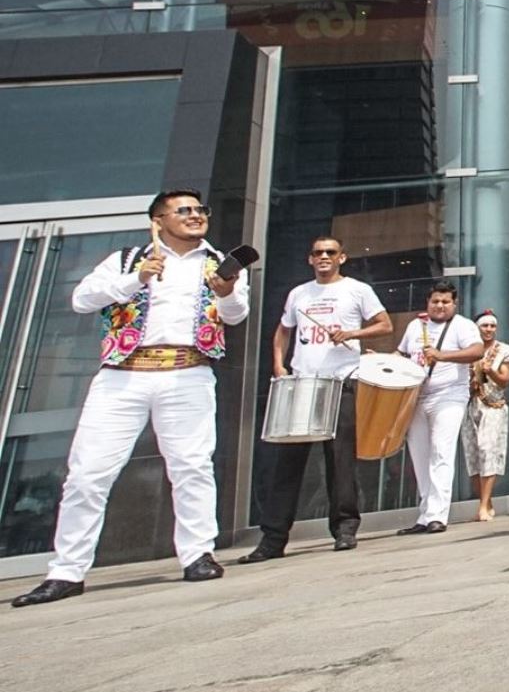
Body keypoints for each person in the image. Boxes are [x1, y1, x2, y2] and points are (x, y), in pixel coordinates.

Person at [12, 191, 249, 607]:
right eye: (185, 211)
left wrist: (226, 290)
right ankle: (67, 571)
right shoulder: (125, 259)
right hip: (123, 377)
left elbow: (235, 315)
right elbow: (82, 300)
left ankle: (197, 555)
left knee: (192, 466)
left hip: (187, 372)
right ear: (158, 220)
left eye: (200, 210)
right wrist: (136, 278)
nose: (196, 216)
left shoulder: (220, 263)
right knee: (87, 474)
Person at [239, 236, 392, 563]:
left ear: (342, 258)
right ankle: (273, 538)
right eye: (318, 253)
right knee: (287, 463)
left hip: (340, 382)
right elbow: (282, 330)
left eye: (330, 253)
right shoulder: (299, 293)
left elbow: (384, 325)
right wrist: (278, 364)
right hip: (302, 383)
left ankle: (345, 528)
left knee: (340, 461)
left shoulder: (357, 290)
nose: (324, 257)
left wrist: (352, 334)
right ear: (310, 259)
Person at [394, 282, 483, 535]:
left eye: (445, 302)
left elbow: (476, 351)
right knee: (420, 457)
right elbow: (401, 354)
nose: (440, 306)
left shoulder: (463, 325)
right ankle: (425, 514)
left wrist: (442, 356)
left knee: (441, 453)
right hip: (417, 396)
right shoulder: (415, 326)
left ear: (454, 304)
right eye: (435, 301)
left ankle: (438, 515)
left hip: (449, 395)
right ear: (428, 302)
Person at [463, 310, 509, 521]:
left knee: (487, 449)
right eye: (484, 326)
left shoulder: (504, 351)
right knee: (472, 455)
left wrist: (490, 371)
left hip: (493, 405)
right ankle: (485, 502)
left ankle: (484, 506)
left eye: (492, 326)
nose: (488, 330)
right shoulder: (468, 350)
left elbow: (505, 380)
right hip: (470, 405)